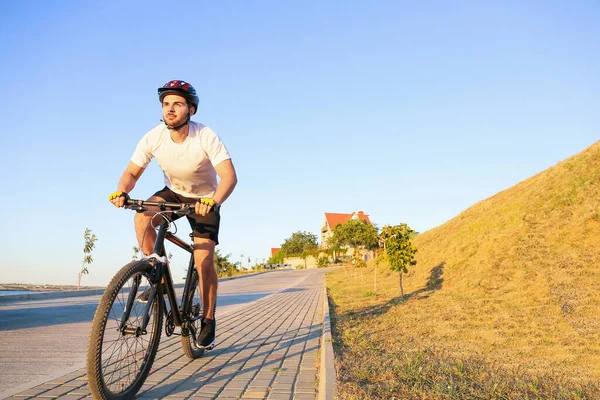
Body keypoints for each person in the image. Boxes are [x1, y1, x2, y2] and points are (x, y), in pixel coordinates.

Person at [108, 79, 237, 350]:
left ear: (191, 110)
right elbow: (131, 173)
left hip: (204, 199)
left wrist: (213, 202)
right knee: (142, 216)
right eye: (166, 104)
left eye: (177, 104)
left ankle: (208, 320)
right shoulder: (154, 136)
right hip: (173, 193)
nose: (170, 109)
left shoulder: (205, 135)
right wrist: (121, 192)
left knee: (203, 259)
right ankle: (159, 277)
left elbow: (228, 177)